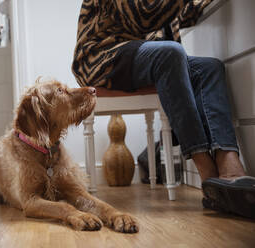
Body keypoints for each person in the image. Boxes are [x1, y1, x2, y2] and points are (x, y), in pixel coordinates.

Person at [72, 0, 255, 219]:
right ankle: (208, 174)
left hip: (137, 52)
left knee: (210, 67)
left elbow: (182, 15)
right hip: (101, 57)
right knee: (170, 53)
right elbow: (142, 17)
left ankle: (230, 167)